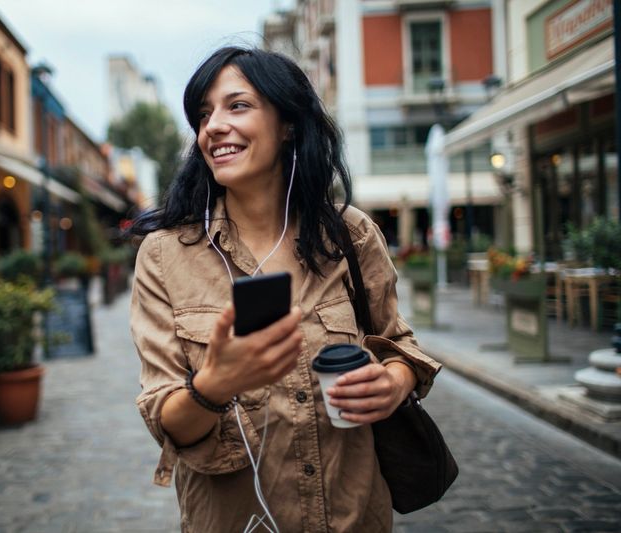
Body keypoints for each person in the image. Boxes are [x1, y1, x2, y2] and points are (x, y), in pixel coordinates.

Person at [129, 46, 441, 532]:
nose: (212, 126)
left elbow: (398, 343)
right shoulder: (165, 254)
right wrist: (215, 384)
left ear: (288, 124)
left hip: (355, 516)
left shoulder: (350, 235)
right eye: (204, 114)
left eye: (238, 105)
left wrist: (395, 381)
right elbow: (167, 422)